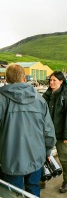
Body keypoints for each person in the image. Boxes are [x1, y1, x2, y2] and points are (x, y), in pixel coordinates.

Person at [0, 64, 56, 197]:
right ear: (24, 78)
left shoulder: (1, 99)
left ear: (6, 79)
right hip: (36, 157)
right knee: (33, 189)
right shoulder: (40, 100)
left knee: (12, 193)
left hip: (10, 158)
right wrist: (47, 151)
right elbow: (48, 131)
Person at [42, 71, 67, 193]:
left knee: (64, 157)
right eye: (50, 80)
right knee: (42, 156)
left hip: (61, 133)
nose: (51, 82)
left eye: (54, 80)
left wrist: (66, 135)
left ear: (61, 81)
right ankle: (42, 179)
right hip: (47, 133)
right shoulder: (47, 95)